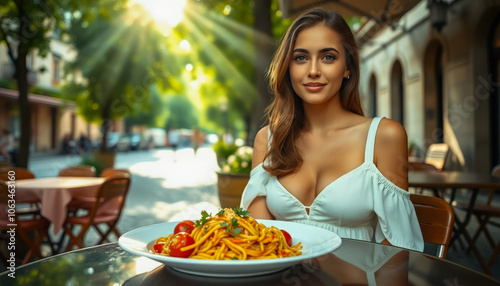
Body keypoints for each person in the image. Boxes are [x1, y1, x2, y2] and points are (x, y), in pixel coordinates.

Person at [240, 8, 423, 252]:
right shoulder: (268, 140)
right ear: (288, 68)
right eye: (300, 58)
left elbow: (398, 249)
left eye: (328, 57)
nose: (313, 70)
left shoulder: (383, 136)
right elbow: (257, 242)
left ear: (347, 67)